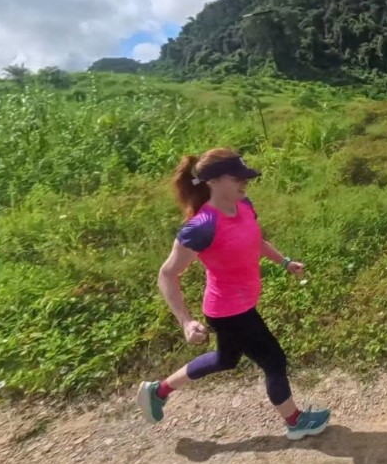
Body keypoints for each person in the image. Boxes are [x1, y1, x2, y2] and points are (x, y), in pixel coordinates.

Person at [136, 147, 330, 440]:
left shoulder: (244, 205)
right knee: (274, 360)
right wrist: (186, 322)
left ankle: (159, 391)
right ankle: (295, 421)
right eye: (236, 177)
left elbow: (256, 239)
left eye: (246, 176)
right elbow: (167, 274)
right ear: (212, 181)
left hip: (242, 303)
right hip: (229, 311)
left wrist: (285, 262)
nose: (244, 182)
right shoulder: (202, 226)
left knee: (225, 359)